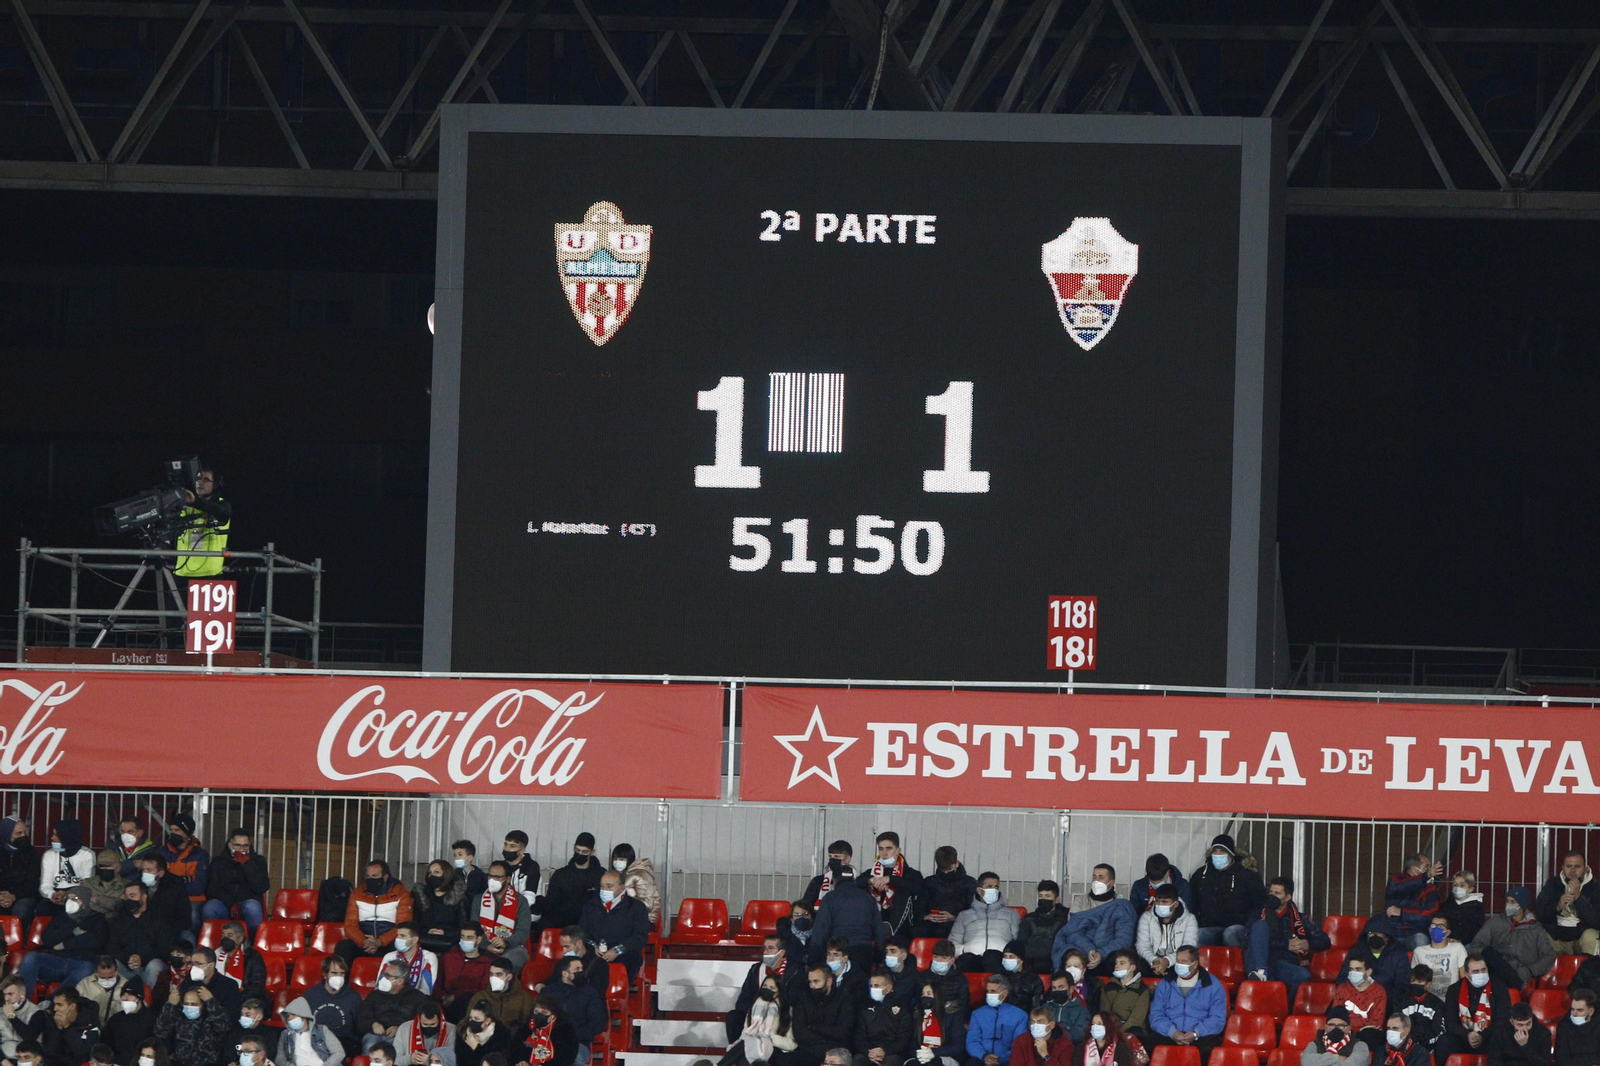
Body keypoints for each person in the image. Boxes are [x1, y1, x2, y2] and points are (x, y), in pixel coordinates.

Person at [1243, 875, 1330, 1005]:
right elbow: (1249, 939)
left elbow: (1325, 940)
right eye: (1271, 892)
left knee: (1303, 976)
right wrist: (1286, 944)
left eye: (1277, 893)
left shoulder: (1300, 919)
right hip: (1259, 961)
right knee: (1260, 926)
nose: (1272, 896)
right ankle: (1261, 972)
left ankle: (1287, 1012)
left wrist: (1307, 944)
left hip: (1283, 963)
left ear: (1288, 897)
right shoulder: (1257, 914)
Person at [20, 884, 106, 997]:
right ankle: (23, 1003)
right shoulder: (62, 916)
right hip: (56, 962)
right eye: (68, 898)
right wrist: (75, 931)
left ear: (84, 901)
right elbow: (48, 939)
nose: (70, 902)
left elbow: (95, 941)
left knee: (87, 968)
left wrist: (63, 944)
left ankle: (51, 1005)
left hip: (80, 963)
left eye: (75, 899)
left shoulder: (97, 918)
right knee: (30, 958)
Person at [1052, 867, 1134, 976]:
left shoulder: (1120, 905)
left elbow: (1123, 939)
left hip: (1108, 952)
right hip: (1083, 948)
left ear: (1112, 882)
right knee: (1072, 959)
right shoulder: (1080, 902)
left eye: (1101, 877)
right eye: (1094, 877)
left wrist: (1101, 953)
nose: (1096, 881)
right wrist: (1089, 949)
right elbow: (1072, 932)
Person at [1187, 836, 1264, 949]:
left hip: (1239, 926)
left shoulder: (1247, 875)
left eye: (1222, 851)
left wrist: (1249, 924)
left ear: (1230, 854)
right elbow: (1192, 903)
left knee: (1230, 934)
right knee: (1195, 936)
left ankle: (1238, 965)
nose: (1218, 854)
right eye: (1215, 851)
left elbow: (1259, 903)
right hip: (1209, 926)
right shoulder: (1201, 875)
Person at [1146, 946, 1225, 1058]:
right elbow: (1156, 1014)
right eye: (1178, 961)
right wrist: (1172, 1032)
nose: (1179, 964)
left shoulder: (1213, 985)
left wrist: (1195, 1033)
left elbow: (1217, 1018)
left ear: (1195, 964)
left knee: (1210, 1047)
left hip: (1200, 1036)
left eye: (1184, 961)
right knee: (1150, 1043)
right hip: (1169, 1034)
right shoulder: (1165, 983)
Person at [1472, 888, 1557, 990]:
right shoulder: (1495, 922)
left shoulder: (1536, 929)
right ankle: (1518, 985)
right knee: (1489, 952)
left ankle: (1516, 982)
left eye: (1513, 902)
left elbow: (1548, 956)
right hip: (1495, 971)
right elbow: (1476, 945)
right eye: (1507, 901)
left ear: (1522, 905)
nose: (1508, 905)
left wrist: (1529, 970)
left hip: (1522, 973)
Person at [579, 870, 650, 982]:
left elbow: (640, 937)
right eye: (602, 886)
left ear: (621, 888)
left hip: (625, 954)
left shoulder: (636, 907)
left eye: (609, 886)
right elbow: (582, 931)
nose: (604, 890)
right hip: (595, 953)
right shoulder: (591, 905)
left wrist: (616, 951)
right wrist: (594, 946)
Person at [338, 861, 412, 965]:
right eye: (368, 876)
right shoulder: (356, 894)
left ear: (385, 877)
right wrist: (364, 941)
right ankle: (341, 980)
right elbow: (350, 925)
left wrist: (380, 941)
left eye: (375, 876)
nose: (370, 879)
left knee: (402, 947)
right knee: (343, 947)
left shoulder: (401, 894)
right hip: (364, 942)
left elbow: (403, 926)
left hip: (389, 942)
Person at [730, 935, 801, 1042]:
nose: (766, 952)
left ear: (781, 952)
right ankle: (739, 1050)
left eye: (771, 948)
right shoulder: (756, 969)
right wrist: (756, 1011)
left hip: (782, 1016)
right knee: (733, 1017)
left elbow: (795, 1001)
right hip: (755, 1015)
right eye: (764, 948)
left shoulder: (795, 972)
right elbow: (743, 1000)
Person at [810, 872, 886, 972]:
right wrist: (880, 957)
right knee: (860, 985)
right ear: (853, 880)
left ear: (835, 881)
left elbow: (821, 930)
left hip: (837, 952)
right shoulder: (868, 898)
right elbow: (879, 930)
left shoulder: (830, 897)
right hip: (863, 951)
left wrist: (813, 960)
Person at [1442, 953, 1509, 1063]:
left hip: (1489, 1037)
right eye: (1476, 972)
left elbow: (1503, 1020)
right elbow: (1450, 1023)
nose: (1481, 974)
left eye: (1483, 970)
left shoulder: (1499, 987)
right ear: (1467, 974)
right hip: (1464, 1038)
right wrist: (1467, 1034)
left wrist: (1482, 1036)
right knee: (1445, 1041)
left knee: (1500, 1039)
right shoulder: (1454, 990)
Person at [1340, 917, 1410, 1020]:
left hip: (1388, 1002)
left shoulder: (1399, 954)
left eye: (1379, 933)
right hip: (1356, 997)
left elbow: (1402, 984)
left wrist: (1378, 994)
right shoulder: (1356, 952)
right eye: (1371, 933)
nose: (1374, 936)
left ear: (1387, 936)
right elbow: (1342, 978)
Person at [203, 829, 270, 934]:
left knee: (252, 908)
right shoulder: (218, 862)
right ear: (230, 845)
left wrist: (247, 865)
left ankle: (253, 943)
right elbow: (212, 889)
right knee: (210, 908)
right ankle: (215, 940)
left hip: (248, 901)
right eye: (237, 845)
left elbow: (262, 887)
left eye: (245, 846)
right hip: (224, 903)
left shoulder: (258, 861)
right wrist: (231, 903)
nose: (241, 849)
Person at [787, 965, 857, 1066]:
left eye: (816, 981)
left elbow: (843, 1032)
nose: (812, 986)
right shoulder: (804, 998)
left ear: (828, 981)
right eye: (810, 982)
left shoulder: (844, 999)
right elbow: (799, 1032)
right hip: (808, 1050)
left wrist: (814, 1027)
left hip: (836, 1050)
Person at [171, 464, 231, 578]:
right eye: (198, 479)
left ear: (216, 484)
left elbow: (218, 510)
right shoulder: (185, 506)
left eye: (206, 479)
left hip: (211, 574)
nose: (200, 482)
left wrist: (195, 501)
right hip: (181, 574)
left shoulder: (223, 504)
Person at [109, 881, 172, 989]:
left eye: (132, 896)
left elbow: (165, 949)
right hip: (126, 966)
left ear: (143, 897)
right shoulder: (119, 920)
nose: (129, 900)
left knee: (155, 964)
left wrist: (141, 958)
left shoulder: (159, 919)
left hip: (149, 966)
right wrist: (129, 958)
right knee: (111, 963)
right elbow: (111, 947)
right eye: (127, 896)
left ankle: (151, 1003)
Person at [1536, 852, 1600, 957]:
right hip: (1557, 937)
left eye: (1577, 866)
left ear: (1585, 868)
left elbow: (1596, 921)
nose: (1573, 870)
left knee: (1592, 936)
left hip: (1581, 937)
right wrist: (1557, 907)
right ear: (1563, 868)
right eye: (1569, 866)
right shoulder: (1553, 884)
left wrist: (1579, 898)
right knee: (1537, 934)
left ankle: (1591, 972)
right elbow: (1539, 913)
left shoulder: (1595, 888)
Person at [358, 959, 431, 1049]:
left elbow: (421, 1023)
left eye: (387, 976)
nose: (383, 978)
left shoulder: (417, 998)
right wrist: (373, 1024)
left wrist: (400, 1029)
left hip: (402, 1037)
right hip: (374, 1035)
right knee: (370, 1045)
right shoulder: (374, 995)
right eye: (384, 974)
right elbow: (362, 1017)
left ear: (400, 981)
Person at [540, 957, 605, 1059]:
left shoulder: (589, 993)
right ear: (565, 974)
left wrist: (572, 1035)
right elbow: (536, 1017)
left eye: (581, 969)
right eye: (577, 969)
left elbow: (597, 1022)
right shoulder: (548, 992)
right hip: (546, 1041)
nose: (581, 972)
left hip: (577, 1043)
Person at [954, 875, 1020, 974]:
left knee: (991, 956)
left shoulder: (1011, 914)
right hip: (972, 958)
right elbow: (953, 943)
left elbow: (1018, 942)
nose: (994, 890)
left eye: (996, 887)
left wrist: (1009, 954)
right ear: (979, 890)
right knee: (965, 959)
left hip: (999, 959)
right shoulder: (964, 915)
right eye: (989, 886)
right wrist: (965, 950)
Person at [862, 834, 923, 940]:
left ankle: (890, 932)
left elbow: (918, 887)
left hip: (903, 926)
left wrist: (890, 879)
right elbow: (855, 883)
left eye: (889, 848)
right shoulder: (872, 872)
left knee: (904, 892)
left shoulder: (910, 873)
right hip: (876, 918)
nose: (884, 853)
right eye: (881, 849)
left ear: (898, 850)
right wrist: (871, 881)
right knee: (863, 889)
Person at [540, 835, 603, 934]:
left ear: (592, 852)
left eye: (585, 852)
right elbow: (550, 905)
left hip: (591, 924)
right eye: (577, 850)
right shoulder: (560, 875)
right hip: (563, 923)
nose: (580, 854)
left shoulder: (601, 875)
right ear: (573, 847)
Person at [157, 815, 210, 934]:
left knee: (193, 917)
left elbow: (198, 887)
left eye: (177, 830)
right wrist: (185, 880)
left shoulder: (201, 854)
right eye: (171, 830)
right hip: (166, 899)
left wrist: (171, 885)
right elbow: (158, 881)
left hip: (192, 900)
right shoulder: (161, 852)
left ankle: (191, 947)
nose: (173, 833)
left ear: (187, 833)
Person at [155, 983, 228, 1066]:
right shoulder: (178, 1016)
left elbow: (223, 1027)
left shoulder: (210, 1018)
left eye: (194, 1004)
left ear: (203, 1005)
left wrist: (210, 1000)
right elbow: (160, 1032)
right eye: (186, 1004)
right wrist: (170, 1005)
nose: (189, 1007)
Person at [1384, 855, 1446, 950]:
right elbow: (1400, 888)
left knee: (1421, 942)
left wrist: (1402, 913)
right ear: (1414, 869)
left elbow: (1428, 915)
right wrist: (1425, 876)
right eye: (1426, 867)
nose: (1429, 870)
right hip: (1392, 931)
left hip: (1416, 932)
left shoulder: (1430, 889)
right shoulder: (1395, 881)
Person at [853, 969, 912, 1066]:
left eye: (877, 986)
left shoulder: (902, 1007)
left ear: (888, 988)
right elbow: (859, 1036)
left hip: (892, 1053)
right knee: (858, 1060)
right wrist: (869, 1052)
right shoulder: (865, 1006)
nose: (873, 989)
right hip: (869, 1052)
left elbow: (904, 1037)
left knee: (891, 1062)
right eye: (871, 986)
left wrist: (885, 1051)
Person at [301, 956, 361, 1052]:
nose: (339, 977)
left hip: (343, 1041)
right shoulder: (311, 995)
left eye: (342, 974)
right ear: (325, 974)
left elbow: (358, 1027)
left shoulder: (353, 997)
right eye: (334, 973)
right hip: (316, 1040)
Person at [966, 974, 1028, 1066]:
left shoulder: (1020, 1015)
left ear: (1005, 993)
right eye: (988, 991)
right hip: (981, 1060)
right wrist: (984, 1056)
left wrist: (1001, 1059)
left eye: (993, 991)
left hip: (1008, 1061)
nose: (989, 994)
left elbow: (1019, 1045)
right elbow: (972, 1041)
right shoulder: (977, 1014)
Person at [1134, 885, 1195, 978]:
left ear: (1175, 904)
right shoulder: (1146, 917)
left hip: (1175, 961)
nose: (1160, 905)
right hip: (1153, 962)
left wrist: (1167, 961)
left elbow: (1188, 946)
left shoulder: (1189, 919)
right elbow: (1142, 945)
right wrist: (1154, 960)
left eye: (1165, 902)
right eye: (1158, 901)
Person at [919, 849, 977, 943]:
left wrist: (955, 917)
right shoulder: (929, 882)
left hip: (958, 924)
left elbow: (972, 909)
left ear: (957, 863)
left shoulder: (970, 883)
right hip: (931, 925)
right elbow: (920, 906)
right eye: (943, 870)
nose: (946, 873)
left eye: (949, 870)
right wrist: (925, 916)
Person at [415, 861, 473, 957]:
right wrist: (427, 931)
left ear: (446, 874)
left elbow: (464, 927)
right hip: (425, 944)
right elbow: (415, 924)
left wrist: (445, 932)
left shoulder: (458, 898)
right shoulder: (421, 896)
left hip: (450, 945)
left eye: (437, 872)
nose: (432, 875)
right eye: (430, 873)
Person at [39, 820, 95, 918]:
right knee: (42, 909)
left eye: (56, 835)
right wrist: (52, 895)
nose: (52, 838)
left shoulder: (87, 855)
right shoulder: (49, 855)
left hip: (77, 895)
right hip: (54, 895)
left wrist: (68, 894)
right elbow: (45, 884)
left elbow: (87, 885)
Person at [438, 925, 493, 1023]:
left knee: (465, 1000)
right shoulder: (449, 957)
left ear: (479, 939)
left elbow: (484, 989)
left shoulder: (487, 962)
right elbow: (438, 981)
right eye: (462, 937)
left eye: (469, 938)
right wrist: (442, 996)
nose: (464, 940)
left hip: (469, 1005)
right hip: (444, 1001)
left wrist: (456, 995)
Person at [738, 974, 796, 1066]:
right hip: (753, 1044)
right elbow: (745, 1033)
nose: (767, 990)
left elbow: (791, 1044)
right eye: (764, 986)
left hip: (775, 1049)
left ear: (779, 991)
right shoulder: (754, 1007)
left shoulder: (786, 1011)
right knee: (744, 1050)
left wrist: (768, 1037)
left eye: (772, 988)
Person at [925, 944, 970, 1058]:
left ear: (952, 960)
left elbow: (963, 1006)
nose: (939, 961)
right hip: (926, 1019)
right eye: (936, 957)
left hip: (950, 1021)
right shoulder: (922, 977)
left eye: (944, 958)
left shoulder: (961, 979)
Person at [37, 988, 102, 1066]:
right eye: (55, 1004)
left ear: (72, 1006)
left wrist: (67, 1027)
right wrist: (59, 1029)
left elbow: (84, 1053)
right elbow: (49, 1053)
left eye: (60, 1004)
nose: (55, 1008)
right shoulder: (52, 1018)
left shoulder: (90, 1021)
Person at [466, 959, 533, 1034]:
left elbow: (526, 1027)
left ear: (509, 977)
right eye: (491, 974)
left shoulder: (525, 999)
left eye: (499, 974)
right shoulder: (479, 997)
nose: (494, 978)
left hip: (511, 1041)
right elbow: (467, 1022)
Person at [1334, 955, 1388, 1046]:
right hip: (1345, 1032)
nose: (1353, 972)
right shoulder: (1342, 989)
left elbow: (1377, 1022)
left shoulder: (1379, 991)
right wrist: (1363, 1023)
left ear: (1368, 972)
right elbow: (1337, 1018)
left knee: (1368, 1035)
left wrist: (1348, 1022)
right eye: (1351, 969)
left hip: (1367, 1035)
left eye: (1358, 969)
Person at [1018, 885, 1070, 977]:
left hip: (1053, 957)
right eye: (1040, 896)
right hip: (1031, 959)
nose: (1043, 899)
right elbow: (1021, 941)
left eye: (1047, 896)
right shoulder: (1029, 918)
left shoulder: (1065, 918)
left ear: (1057, 899)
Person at [278, 997, 345, 1066]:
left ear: (304, 1015)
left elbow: (339, 1053)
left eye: (294, 1014)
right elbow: (279, 1059)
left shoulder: (322, 1030)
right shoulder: (285, 1035)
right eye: (288, 1016)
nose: (290, 1018)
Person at [1397, 964, 1446, 1060]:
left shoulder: (1437, 1004)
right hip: (1404, 1046)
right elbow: (1396, 1025)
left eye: (1420, 981)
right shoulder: (1400, 1001)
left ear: (1428, 984)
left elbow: (1438, 1029)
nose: (1415, 984)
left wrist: (1424, 1042)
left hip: (1429, 1048)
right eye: (1413, 981)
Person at [1413, 914, 1467, 999]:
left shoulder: (1457, 948)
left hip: (1451, 998)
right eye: (1433, 925)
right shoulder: (1419, 951)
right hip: (1428, 999)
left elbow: (1464, 976)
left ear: (1448, 932)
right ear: (1429, 929)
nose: (1436, 929)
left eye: (1441, 926)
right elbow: (1415, 979)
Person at [1098, 953, 1149, 1043]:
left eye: (1122, 963)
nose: (1117, 966)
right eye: (1116, 963)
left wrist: (1120, 1033)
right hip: (1112, 1027)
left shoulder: (1142, 989)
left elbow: (1137, 1018)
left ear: (1132, 967)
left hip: (1132, 1029)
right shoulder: (1108, 987)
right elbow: (1105, 1012)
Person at [214, 920, 269, 1002]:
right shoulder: (215, 953)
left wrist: (236, 998)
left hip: (245, 998)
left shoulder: (253, 956)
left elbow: (257, 985)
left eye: (229, 936)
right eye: (223, 935)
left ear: (240, 939)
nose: (225, 939)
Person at [608, 843, 660, 928]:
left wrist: (624, 901)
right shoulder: (619, 875)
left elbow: (647, 904)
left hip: (645, 920)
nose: (617, 862)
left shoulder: (641, 874)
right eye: (615, 859)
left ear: (630, 859)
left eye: (621, 859)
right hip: (624, 918)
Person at [104, 981, 156, 1063]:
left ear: (139, 998)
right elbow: (105, 1044)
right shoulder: (115, 1019)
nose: (125, 998)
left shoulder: (152, 1019)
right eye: (123, 995)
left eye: (130, 995)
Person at [0, 818, 40, 927]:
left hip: (24, 895)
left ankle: (22, 942)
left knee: (21, 910)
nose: (23, 836)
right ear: (7, 834)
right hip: (2, 895)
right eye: (18, 833)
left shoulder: (31, 853)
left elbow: (32, 883)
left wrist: (14, 896)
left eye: (24, 832)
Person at [383, 923, 441, 996]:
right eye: (397, 935)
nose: (397, 939)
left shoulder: (429, 957)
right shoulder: (389, 957)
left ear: (414, 940)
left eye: (402, 936)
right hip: (390, 999)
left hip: (416, 1002)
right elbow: (381, 985)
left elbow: (427, 990)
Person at [1301, 1007, 1370, 1066]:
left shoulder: (1360, 1045)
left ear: (1349, 1027)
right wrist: (1337, 1058)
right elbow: (1306, 1061)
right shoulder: (1315, 1044)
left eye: (1341, 1025)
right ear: (1326, 1026)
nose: (1336, 1028)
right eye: (1331, 1025)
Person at [1486, 1003, 1550, 1066]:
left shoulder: (1543, 1033)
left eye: (1528, 1024)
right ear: (1511, 1021)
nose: (1525, 1029)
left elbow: (1544, 1063)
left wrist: (1525, 1046)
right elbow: (1494, 1060)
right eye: (1520, 1025)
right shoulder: (1500, 1032)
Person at [394, 1001, 456, 1066]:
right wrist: (410, 1059)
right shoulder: (404, 1028)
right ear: (419, 1019)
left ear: (439, 1020)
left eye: (433, 1024)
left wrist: (430, 1061)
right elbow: (394, 1060)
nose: (429, 1027)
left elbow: (452, 1061)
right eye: (425, 1024)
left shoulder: (451, 1030)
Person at [0, 976, 45, 1062]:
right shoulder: (0, 1012)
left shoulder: (37, 1013)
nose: (6, 999)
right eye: (5, 994)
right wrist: (3, 1061)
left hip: (27, 1060)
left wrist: (12, 1016)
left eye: (10, 994)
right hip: (4, 1059)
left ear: (22, 994)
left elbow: (29, 1038)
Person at [1009, 1006, 1073, 1066]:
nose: (1035, 1026)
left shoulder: (1064, 1044)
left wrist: (1046, 1055)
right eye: (1033, 1022)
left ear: (1051, 1025)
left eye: (1040, 1022)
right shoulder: (1021, 1040)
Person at [523, 998, 577, 1066]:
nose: (539, 1015)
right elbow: (516, 1048)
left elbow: (567, 1057)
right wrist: (521, 1061)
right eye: (536, 1011)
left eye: (544, 1012)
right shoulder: (526, 1028)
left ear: (553, 1016)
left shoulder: (565, 1030)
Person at [73, 956, 128, 1022]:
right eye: (103, 978)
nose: (107, 980)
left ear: (116, 971)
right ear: (96, 972)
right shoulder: (83, 985)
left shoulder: (127, 986)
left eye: (111, 977)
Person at [804, 845, 856, 913]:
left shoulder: (856, 881)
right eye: (830, 857)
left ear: (847, 859)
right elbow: (806, 904)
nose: (832, 860)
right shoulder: (818, 881)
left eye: (837, 857)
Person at [1039, 973, 1089, 1044]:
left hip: (1070, 1047)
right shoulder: (1045, 1008)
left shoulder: (1081, 1010)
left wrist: (1054, 1035)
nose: (1057, 991)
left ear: (1071, 989)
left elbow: (1079, 1034)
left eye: (1061, 987)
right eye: (1054, 988)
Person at [1555, 988, 1599, 1066]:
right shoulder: (1564, 1026)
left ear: (1591, 1011)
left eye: (1579, 1010)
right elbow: (1561, 1060)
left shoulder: (1598, 1026)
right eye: (1572, 1009)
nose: (1574, 1013)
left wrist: (1577, 1059)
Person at [1443, 872, 1488, 948]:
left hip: (1468, 943)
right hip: (1447, 940)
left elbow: (1476, 929)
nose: (1458, 888)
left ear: (1471, 889)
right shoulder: (1447, 905)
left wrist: (1461, 941)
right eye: (1455, 885)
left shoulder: (1477, 906)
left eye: (1462, 885)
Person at [826, 938, 871, 1006]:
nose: (830, 959)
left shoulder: (858, 978)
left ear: (845, 958)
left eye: (836, 955)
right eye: (829, 954)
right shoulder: (822, 974)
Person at [89, 851, 129, 921]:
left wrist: (96, 899)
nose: (104, 868)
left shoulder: (128, 886)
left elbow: (121, 907)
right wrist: (113, 903)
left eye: (108, 866)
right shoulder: (87, 883)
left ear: (118, 867)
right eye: (101, 866)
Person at [997, 945, 1037, 1012]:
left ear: (1021, 959)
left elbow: (1036, 1006)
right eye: (1005, 956)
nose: (1007, 959)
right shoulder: (999, 978)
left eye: (1011, 957)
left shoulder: (1033, 979)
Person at [883, 938, 922, 1006]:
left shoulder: (916, 978)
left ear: (903, 956)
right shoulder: (880, 974)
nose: (888, 955)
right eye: (887, 951)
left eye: (893, 951)